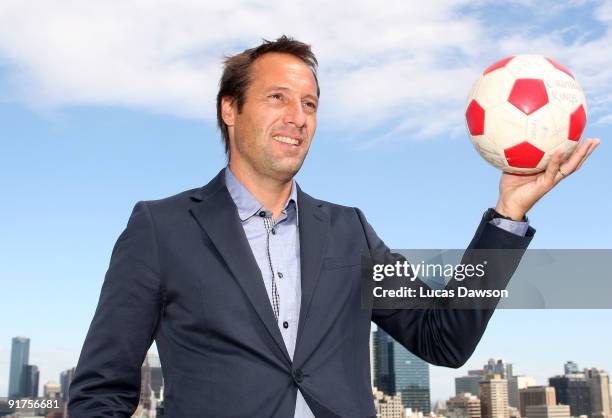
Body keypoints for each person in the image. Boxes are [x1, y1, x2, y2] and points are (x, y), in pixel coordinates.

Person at [68, 35, 600, 417]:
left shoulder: (349, 231)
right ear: (230, 110)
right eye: (277, 97)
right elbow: (100, 390)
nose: (297, 116)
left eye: (310, 104)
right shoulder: (161, 228)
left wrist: (508, 213)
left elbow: (444, 339)